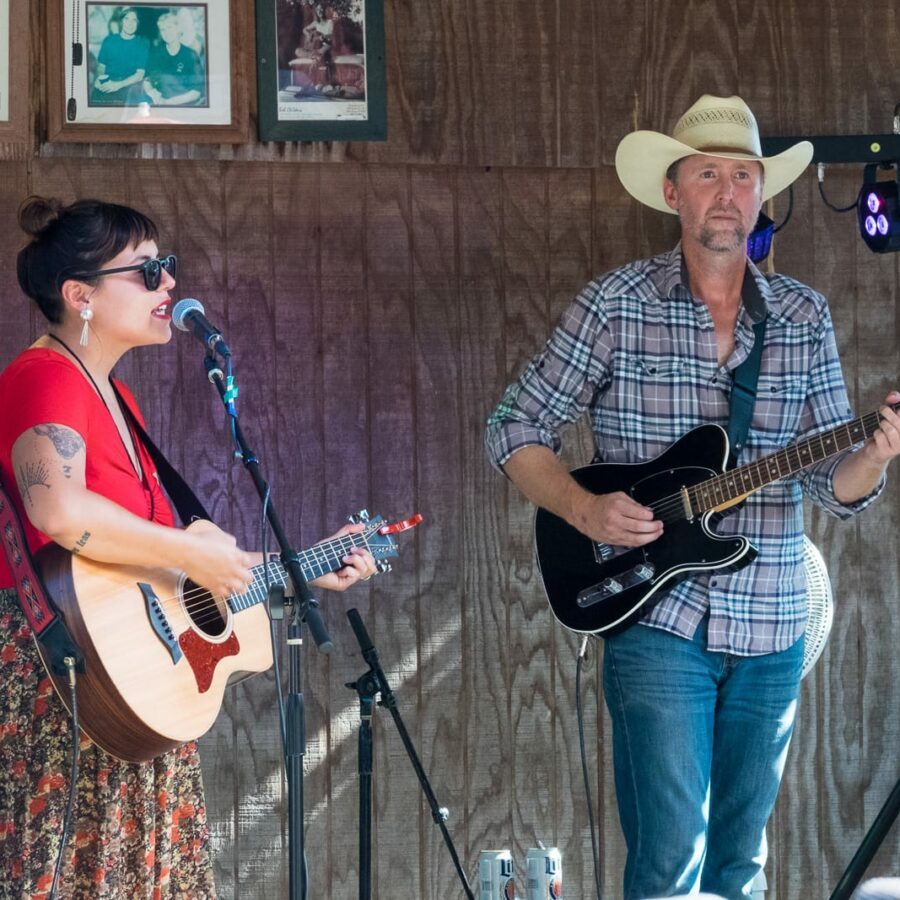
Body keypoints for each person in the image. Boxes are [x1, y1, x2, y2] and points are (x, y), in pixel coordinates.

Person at [485, 94, 900, 899]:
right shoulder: (615, 306)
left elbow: (834, 483)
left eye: (743, 176)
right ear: (672, 192)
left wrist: (878, 456)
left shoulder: (804, 316)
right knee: (670, 866)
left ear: (760, 194)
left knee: (740, 867)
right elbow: (513, 425)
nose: (727, 191)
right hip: (655, 621)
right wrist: (581, 507)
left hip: (774, 623)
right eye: (707, 173)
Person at [0, 196, 377, 897]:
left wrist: (301, 567)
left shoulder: (118, 400)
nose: (169, 284)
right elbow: (56, 508)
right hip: (64, 677)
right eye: (147, 272)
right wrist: (188, 550)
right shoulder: (45, 377)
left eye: (166, 267)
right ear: (80, 295)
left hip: (129, 686)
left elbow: (160, 571)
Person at [143, 12, 205, 107]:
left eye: (170, 27)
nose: (166, 33)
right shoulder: (155, 53)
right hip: (159, 104)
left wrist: (169, 103)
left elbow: (197, 92)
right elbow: (147, 81)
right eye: (163, 30)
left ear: (178, 29)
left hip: (184, 105)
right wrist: (154, 95)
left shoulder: (190, 55)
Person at [91, 7, 150, 107]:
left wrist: (117, 85)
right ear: (121, 21)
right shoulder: (109, 40)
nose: (130, 24)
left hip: (128, 86)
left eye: (134, 20)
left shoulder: (142, 43)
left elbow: (140, 74)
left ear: (138, 23)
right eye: (126, 19)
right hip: (108, 83)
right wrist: (99, 79)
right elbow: (101, 66)